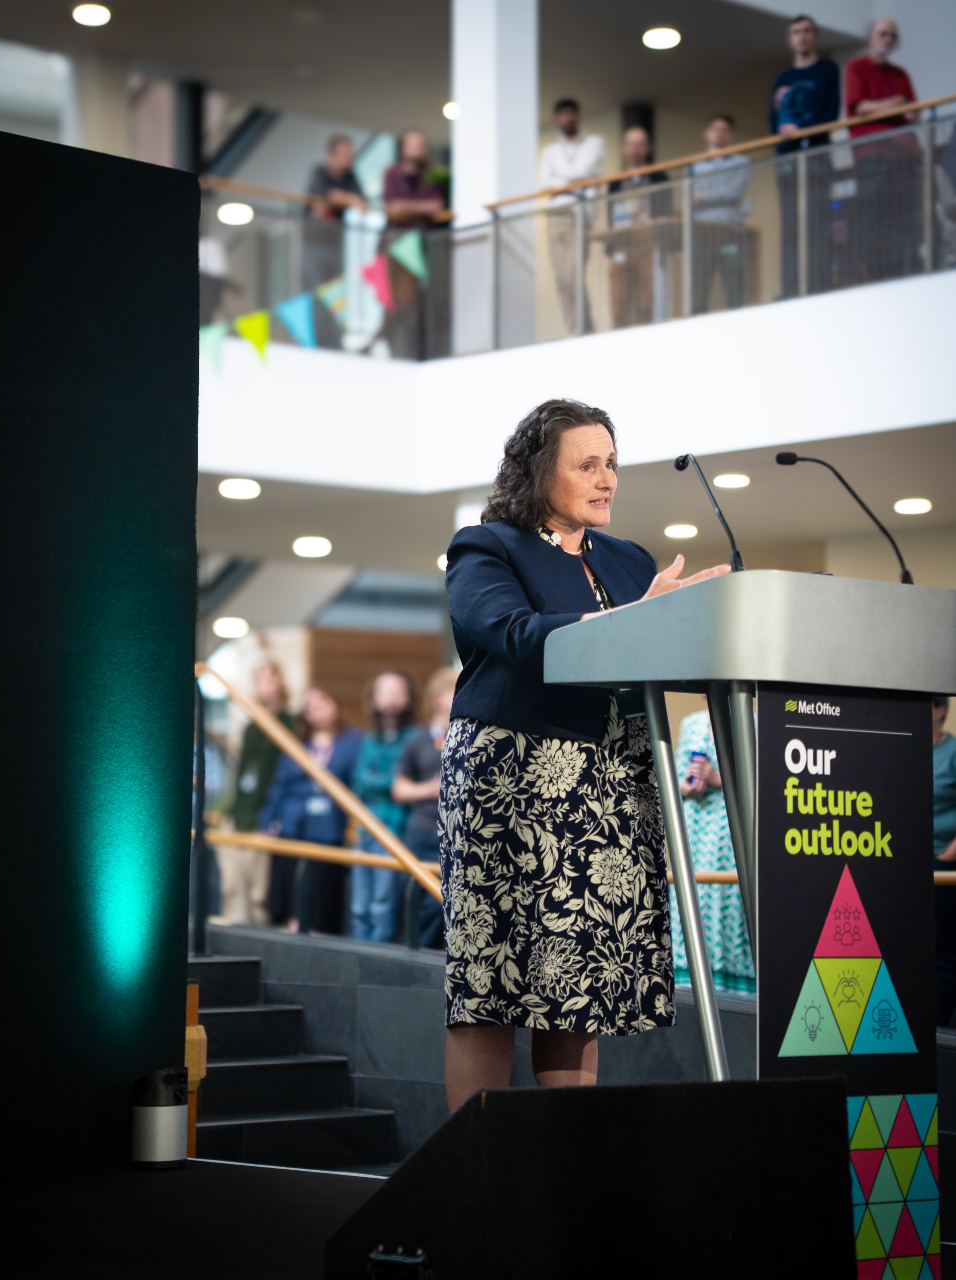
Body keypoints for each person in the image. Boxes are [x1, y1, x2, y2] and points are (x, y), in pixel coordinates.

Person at [440, 398, 731, 1113]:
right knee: (495, 981)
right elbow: (513, 634)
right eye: (588, 465)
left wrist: (690, 623)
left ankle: (560, 1171)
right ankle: (476, 1176)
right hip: (513, 785)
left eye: (612, 464)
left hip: (611, 784)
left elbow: (656, 651)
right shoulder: (489, 547)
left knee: (577, 986)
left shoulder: (629, 560)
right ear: (542, 472)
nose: (607, 480)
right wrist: (639, 619)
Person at [260, 687, 362, 934]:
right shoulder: (297, 744)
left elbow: (356, 782)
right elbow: (279, 785)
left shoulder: (354, 740)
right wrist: (268, 821)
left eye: (321, 702)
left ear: (334, 703)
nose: (315, 709)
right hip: (292, 821)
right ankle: (291, 924)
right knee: (288, 882)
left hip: (329, 825)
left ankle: (316, 928)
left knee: (322, 885)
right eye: (309, 706)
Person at [674, 711, 754, 980]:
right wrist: (687, 787)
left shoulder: (750, 719)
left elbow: (760, 781)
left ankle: (728, 970)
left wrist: (716, 777)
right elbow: (673, 776)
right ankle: (687, 965)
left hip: (729, 827)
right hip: (693, 827)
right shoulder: (691, 723)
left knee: (729, 894)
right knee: (690, 891)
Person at [215, 661, 294, 925]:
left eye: (268, 680)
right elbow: (242, 772)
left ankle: (256, 940)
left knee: (257, 890)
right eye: (258, 681)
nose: (262, 687)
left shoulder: (290, 723)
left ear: (281, 683)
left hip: (266, 815)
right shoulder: (251, 727)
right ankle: (232, 938)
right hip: (240, 814)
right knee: (232, 885)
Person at [845, 17, 921, 283]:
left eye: (891, 36)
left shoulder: (901, 74)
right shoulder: (856, 67)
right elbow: (858, 107)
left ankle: (907, 269)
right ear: (870, 36)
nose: (887, 40)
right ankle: (874, 274)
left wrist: (903, 109)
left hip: (905, 155)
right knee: (873, 218)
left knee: (905, 216)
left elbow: (915, 112)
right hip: (872, 155)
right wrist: (892, 104)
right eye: (882, 34)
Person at [769, 15, 840, 298]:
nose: (802, 36)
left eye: (807, 31)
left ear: (815, 36)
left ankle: (820, 284)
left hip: (817, 156)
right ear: (790, 39)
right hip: (787, 160)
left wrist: (803, 129)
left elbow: (831, 112)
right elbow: (773, 122)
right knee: (790, 226)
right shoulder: (783, 79)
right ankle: (791, 288)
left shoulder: (827, 69)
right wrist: (780, 111)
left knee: (818, 222)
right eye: (796, 32)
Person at [392, 667, 459, 949]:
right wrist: (429, 789)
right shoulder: (418, 739)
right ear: (438, 699)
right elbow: (398, 788)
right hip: (423, 830)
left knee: (445, 905)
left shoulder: (468, 735)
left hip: (456, 833)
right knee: (417, 900)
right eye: (455, 692)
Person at [350, 671, 419, 943]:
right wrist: (391, 783)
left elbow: (398, 785)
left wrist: (389, 783)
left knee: (382, 904)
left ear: (409, 698)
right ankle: (358, 955)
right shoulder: (368, 739)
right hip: (364, 828)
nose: (389, 697)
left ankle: (375, 962)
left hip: (394, 829)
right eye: (383, 690)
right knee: (359, 905)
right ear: (373, 698)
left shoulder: (415, 737)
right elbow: (359, 782)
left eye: (396, 690)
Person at [538, 99, 605, 335]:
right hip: (557, 215)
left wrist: (562, 181)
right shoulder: (549, 151)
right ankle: (574, 330)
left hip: (581, 213)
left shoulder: (594, 143)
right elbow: (546, 182)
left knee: (575, 275)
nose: (567, 119)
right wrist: (573, 182)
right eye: (562, 115)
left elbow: (585, 170)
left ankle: (586, 330)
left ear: (578, 116)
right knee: (562, 279)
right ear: (556, 119)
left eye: (571, 114)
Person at [377, 129, 445, 360]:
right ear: (403, 148)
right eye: (413, 145)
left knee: (409, 304)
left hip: (418, 245)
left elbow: (436, 205)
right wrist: (420, 208)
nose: (417, 150)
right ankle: (384, 344)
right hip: (394, 242)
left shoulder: (431, 174)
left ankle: (399, 350)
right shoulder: (391, 173)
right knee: (392, 303)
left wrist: (407, 207)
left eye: (421, 145)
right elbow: (393, 206)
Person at [304, 134, 367, 347]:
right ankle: (318, 340)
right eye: (344, 154)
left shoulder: (351, 177)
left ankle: (334, 340)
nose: (348, 159)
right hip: (315, 243)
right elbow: (327, 196)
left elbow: (363, 203)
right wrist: (349, 199)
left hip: (337, 245)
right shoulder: (319, 172)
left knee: (337, 294)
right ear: (331, 155)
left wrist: (346, 199)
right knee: (317, 292)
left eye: (351, 155)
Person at [606, 126, 671, 328]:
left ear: (648, 148)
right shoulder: (615, 183)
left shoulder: (659, 178)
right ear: (624, 148)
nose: (634, 149)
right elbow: (611, 215)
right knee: (619, 303)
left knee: (646, 304)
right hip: (622, 248)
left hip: (648, 246)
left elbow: (665, 212)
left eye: (639, 144)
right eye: (630, 144)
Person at [689, 114, 751, 314]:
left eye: (725, 130)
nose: (720, 134)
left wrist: (703, 197)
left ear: (731, 135)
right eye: (715, 129)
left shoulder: (742, 162)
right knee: (698, 290)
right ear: (707, 133)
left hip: (730, 232)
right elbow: (689, 197)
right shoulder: (693, 165)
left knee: (734, 288)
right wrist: (724, 198)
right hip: (701, 234)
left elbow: (735, 192)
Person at [933, 696, 956, 1025]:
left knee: (939, 954)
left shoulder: (952, 753)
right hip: (903, 863)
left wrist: (947, 855)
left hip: (942, 865)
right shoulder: (904, 746)